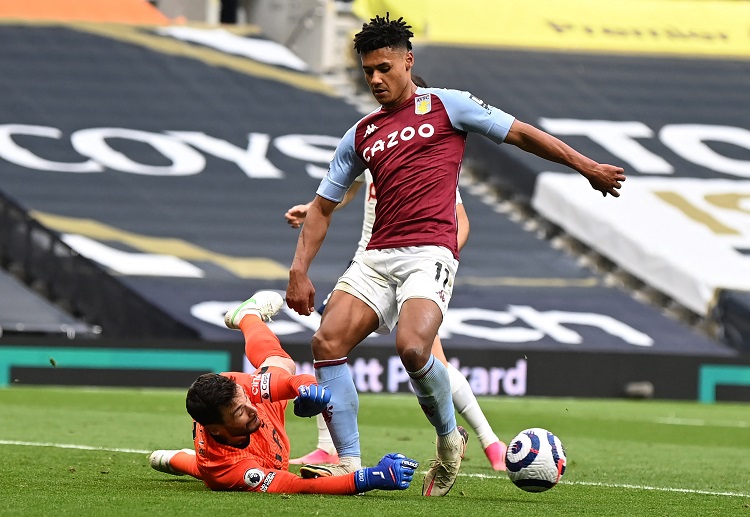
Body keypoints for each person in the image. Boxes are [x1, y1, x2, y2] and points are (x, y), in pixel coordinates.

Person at [285, 13, 625, 497]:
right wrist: (298, 270)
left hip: (429, 251)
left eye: (384, 68)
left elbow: (521, 133)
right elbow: (322, 207)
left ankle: (449, 441)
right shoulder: (361, 133)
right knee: (326, 343)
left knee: (413, 348)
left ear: (408, 61)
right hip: (376, 256)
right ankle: (348, 462)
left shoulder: (448, 105)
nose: (375, 79)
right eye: (367, 71)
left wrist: (586, 166)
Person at [284, 170, 508, 471]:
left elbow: (460, 219)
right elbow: (348, 189)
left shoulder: (425, 160)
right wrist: (313, 208)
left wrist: (440, 259)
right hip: (369, 265)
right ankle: (328, 448)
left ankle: (488, 440)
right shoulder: (370, 150)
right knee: (328, 340)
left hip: (413, 266)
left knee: (426, 357)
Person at [148, 290, 418, 494]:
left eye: (246, 400)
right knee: (206, 472)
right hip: (222, 463)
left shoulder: (240, 392)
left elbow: (292, 380)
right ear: (217, 430)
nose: (252, 409)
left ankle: (247, 315)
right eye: (240, 411)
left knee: (281, 364)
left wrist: (307, 390)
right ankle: (173, 458)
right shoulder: (229, 469)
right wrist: (370, 479)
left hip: (232, 425)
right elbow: (298, 485)